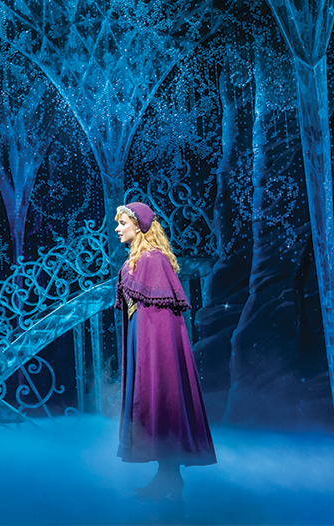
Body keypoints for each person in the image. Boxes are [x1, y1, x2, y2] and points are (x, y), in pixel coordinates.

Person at [113, 201, 215, 501]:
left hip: (155, 345)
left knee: (162, 398)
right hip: (141, 339)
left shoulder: (153, 259)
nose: (118, 229)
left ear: (139, 226)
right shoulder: (137, 260)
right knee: (150, 401)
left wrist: (153, 353)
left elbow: (162, 319)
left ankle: (169, 477)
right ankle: (167, 476)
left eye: (122, 223)